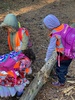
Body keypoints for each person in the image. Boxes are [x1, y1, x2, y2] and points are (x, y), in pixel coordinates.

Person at [43, 14, 75, 86]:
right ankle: (64, 73)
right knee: (65, 66)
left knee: (59, 68)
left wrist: (47, 58)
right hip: (70, 52)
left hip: (63, 55)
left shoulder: (55, 34)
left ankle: (61, 82)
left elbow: (50, 48)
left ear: (50, 26)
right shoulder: (64, 26)